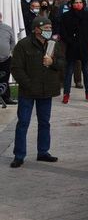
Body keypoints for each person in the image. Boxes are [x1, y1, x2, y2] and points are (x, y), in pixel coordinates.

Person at [10, 17, 65, 168]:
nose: (49, 30)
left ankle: (43, 152)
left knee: (44, 123)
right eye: (46, 28)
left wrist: (52, 62)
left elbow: (62, 63)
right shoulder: (23, 45)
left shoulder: (54, 44)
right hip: (27, 92)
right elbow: (16, 68)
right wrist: (28, 85)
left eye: (50, 27)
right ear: (36, 29)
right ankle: (19, 155)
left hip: (46, 91)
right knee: (23, 123)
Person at [59, 0, 88, 104]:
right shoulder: (66, 16)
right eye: (76, 2)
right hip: (72, 47)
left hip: (84, 48)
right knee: (69, 71)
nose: (78, 4)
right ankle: (66, 94)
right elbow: (63, 31)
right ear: (72, 4)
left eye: (80, 2)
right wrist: (70, 41)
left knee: (86, 72)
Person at [0, 12, 17, 105]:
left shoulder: (7, 28)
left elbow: (12, 42)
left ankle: (6, 98)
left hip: (5, 59)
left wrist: (9, 51)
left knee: (5, 78)